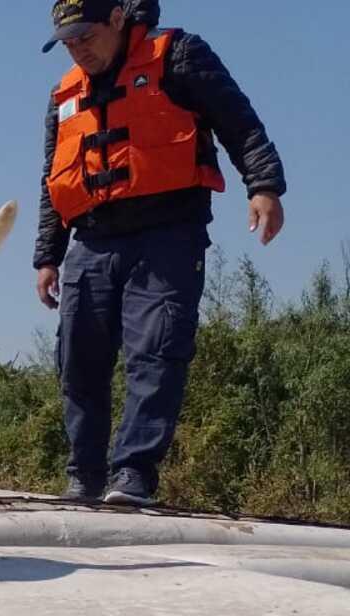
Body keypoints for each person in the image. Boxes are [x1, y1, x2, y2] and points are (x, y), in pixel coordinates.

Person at [35, 0, 285, 506]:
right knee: (76, 361)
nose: (78, 49)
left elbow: (239, 122)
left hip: (166, 234)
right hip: (91, 240)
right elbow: (53, 179)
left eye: (86, 36)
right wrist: (47, 255)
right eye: (68, 41)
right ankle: (83, 477)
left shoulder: (179, 55)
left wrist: (264, 185)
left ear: (119, 20)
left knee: (156, 353)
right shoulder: (65, 93)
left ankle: (132, 476)